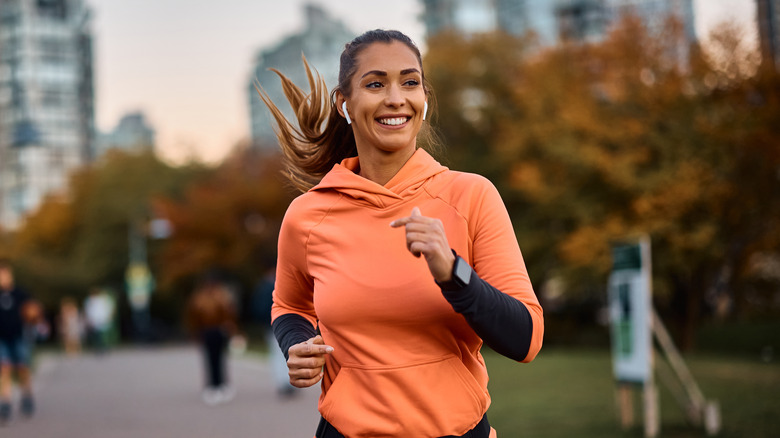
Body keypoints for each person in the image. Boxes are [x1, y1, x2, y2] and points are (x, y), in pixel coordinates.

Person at [258, 29, 544, 437]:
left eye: (409, 82)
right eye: (375, 84)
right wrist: (297, 345)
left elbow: (526, 340)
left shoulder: (471, 196)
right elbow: (289, 305)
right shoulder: (307, 215)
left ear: (423, 99)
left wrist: (454, 274)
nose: (396, 98)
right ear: (345, 104)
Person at [185, 274, 238, 406]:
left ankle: (219, 384)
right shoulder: (209, 297)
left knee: (217, 358)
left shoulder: (211, 297)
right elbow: (194, 316)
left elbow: (229, 314)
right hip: (209, 331)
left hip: (215, 331)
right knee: (213, 359)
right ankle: (214, 385)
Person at [0, 260, 36, 424]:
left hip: (19, 336)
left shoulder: (20, 293)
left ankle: (27, 395)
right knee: (5, 367)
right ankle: (6, 401)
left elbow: (32, 310)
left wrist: (32, 315)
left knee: (22, 367)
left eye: (4, 274)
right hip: (2, 338)